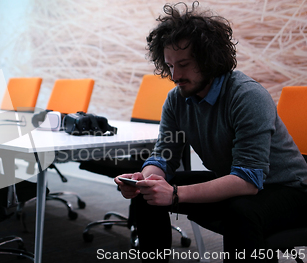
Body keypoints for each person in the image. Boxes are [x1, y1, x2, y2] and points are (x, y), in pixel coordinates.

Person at [114, 2, 307, 262]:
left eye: (183, 64)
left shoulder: (247, 95)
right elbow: (163, 157)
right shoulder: (176, 99)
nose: (175, 75)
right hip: (235, 181)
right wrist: (146, 180)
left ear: (209, 59)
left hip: (290, 190)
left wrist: (174, 193)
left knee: (241, 211)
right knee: (146, 197)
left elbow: (249, 180)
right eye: (170, 66)